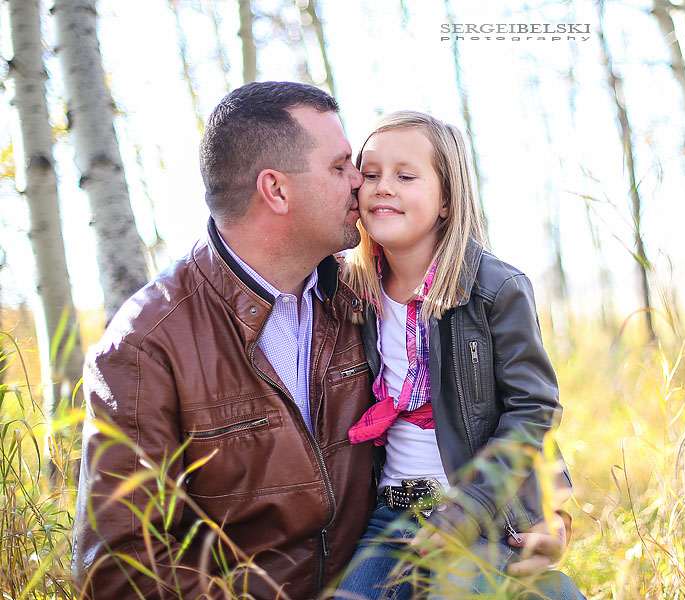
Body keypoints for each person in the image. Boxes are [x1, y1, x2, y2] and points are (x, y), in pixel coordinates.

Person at [72, 83, 568, 600]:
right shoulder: (145, 345)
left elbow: (503, 402)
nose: (363, 184)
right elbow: (118, 572)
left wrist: (543, 509)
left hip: (428, 547)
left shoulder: (356, 295)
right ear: (277, 190)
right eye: (343, 168)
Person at [334, 111, 582, 599]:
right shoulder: (350, 287)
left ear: (446, 199)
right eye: (369, 173)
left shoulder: (495, 289)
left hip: (485, 511)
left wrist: (473, 510)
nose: (383, 186)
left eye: (406, 176)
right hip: (393, 513)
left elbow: (533, 409)